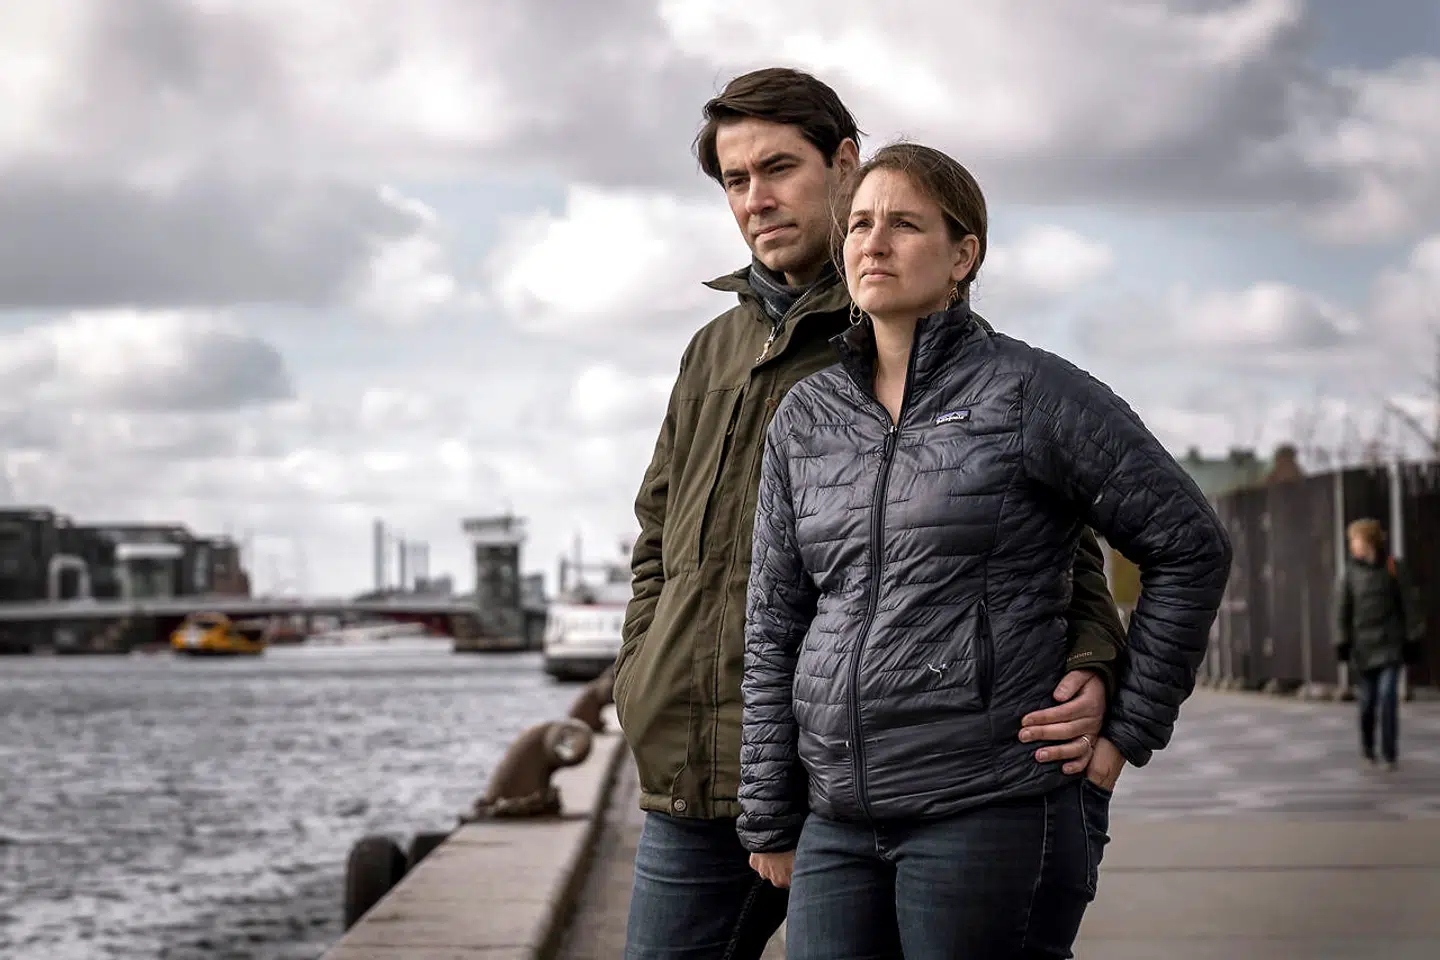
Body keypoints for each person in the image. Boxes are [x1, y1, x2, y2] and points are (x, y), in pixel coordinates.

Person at [612, 68, 1130, 959]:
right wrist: (642, 674)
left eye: (779, 168)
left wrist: (1094, 662)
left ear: (846, 164)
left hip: (857, 769)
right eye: (735, 180)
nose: (756, 199)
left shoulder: (904, 331)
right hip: (694, 767)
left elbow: (1048, 534)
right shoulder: (712, 351)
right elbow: (659, 537)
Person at [739, 142, 1233, 957]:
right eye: (859, 224)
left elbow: (1190, 545)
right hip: (837, 818)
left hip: (991, 805)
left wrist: (1126, 730)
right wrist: (768, 807)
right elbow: (774, 622)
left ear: (963, 255)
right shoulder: (806, 417)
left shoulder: (1031, 391)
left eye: (904, 225)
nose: (874, 243)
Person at [1335, 518, 1422, 771]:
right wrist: (1342, 642)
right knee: (1367, 703)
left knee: (1387, 696)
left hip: (1390, 645)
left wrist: (1413, 638)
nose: (1353, 545)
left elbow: (1410, 604)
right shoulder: (1349, 574)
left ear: (1369, 541)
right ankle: (1368, 747)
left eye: (1356, 540)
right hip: (1364, 648)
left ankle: (1389, 752)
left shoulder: (1393, 568)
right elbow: (1342, 611)